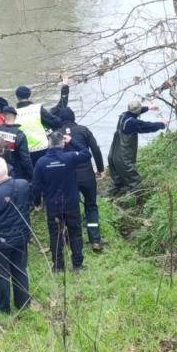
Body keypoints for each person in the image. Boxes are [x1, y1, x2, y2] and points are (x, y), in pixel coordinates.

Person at [32, 131, 93, 272]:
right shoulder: (70, 157)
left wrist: (36, 203)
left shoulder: (41, 162)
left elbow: (36, 186)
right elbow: (86, 153)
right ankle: (77, 265)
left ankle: (58, 266)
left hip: (53, 206)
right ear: (62, 143)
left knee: (55, 235)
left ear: (48, 144)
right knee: (75, 233)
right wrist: (72, 141)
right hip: (71, 203)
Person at [0, 157, 33, 314]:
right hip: (21, 236)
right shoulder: (23, 185)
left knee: (1, 274)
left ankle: (3, 306)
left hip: (0, 241)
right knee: (20, 269)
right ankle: (23, 302)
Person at [58, 105, 105, 251]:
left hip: (68, 177)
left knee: (68, 208)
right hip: (87, 176)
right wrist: (100, 169)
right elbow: (95, 150)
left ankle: (69, 239)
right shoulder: (84, 130)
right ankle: (95, 240)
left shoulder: (56, 133)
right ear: (74, 118)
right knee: (91, 206)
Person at [108, 100, 166, 197]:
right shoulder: (132, 123)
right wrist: (161, 124)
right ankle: (138, 199)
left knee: (118, 182)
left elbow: (135, 112)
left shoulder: (123, 116)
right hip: (123, 158)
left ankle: (112, 197)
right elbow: (147, 126)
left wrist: (148, 108)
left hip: (113, 156)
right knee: (135, 182)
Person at [13, 83, 64, 161]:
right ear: (29, 95)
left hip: (25, 152)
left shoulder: (13, 113)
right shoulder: (37, 108)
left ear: (17, 97)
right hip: (42, 148)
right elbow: (55, 122)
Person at [0, 106, 34, 181]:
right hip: (14, 172)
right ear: (15, 117)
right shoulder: (19, 134)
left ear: (3, 116)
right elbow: (25, 159)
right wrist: (32, 175)